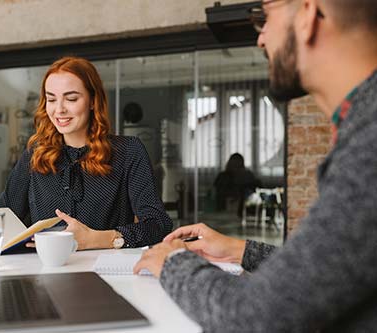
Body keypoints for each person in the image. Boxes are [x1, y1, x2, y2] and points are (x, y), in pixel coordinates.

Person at [134, 0, 377, 331]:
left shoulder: (369, 143)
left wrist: (173, 261)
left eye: (264, 18)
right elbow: (320, 275)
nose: (260, 39)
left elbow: (252, 318)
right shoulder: (362, 126)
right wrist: (241, 249)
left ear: (308, 15)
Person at [0, 56, 172, 250]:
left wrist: (98, 239)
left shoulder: (128, 151)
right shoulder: (35, 153)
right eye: (51, 99)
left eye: (71, 98)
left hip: (107, 274)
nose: (59, 110)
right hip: (47, 273)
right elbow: (4, 216)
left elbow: (158, 225)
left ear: (93, 101)